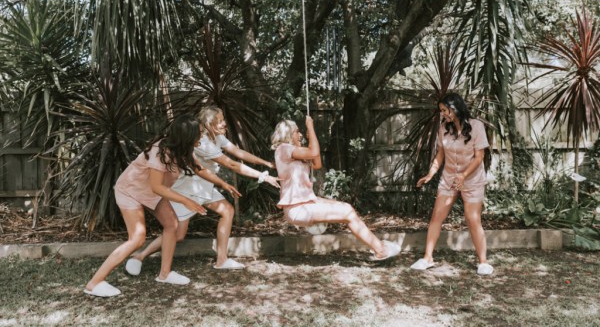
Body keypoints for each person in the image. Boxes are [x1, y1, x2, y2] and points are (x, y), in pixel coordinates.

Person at [84, 114, 240, 297]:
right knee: (137, 238)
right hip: (130, 191)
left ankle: (164, 275)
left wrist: (223, 184)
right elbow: (157, 187)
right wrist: (186, 200)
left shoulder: (183, 149)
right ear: (187, 136)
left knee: (172, 225)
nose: (202, 136)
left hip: (152, 192)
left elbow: (198, 169)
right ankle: (94, 284)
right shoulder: (161, 152)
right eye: (199, 133)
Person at [125, 106, 279, 272]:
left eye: (223, 120)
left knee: (227, 210)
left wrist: (266, 164)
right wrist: (263, 176)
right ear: (208, 124)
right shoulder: (202, 142)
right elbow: (231, 163)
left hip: (204, 185)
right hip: (186, 187)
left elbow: (238, 152)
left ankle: (221, 260)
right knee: (178, 234)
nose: (224, 124)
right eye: (219, 121)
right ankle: (139, 256)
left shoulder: (217, 138)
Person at [271, 115, 401, 260]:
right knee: (347, 212)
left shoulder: (295, 152)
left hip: (306, 203)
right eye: (297, 131)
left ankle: (379, 247)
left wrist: (312, 136)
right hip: (297, 208)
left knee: (348, 208)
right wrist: (311, 128)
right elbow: (314, 152)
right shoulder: (283, 149)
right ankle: (381, 250)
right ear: (287, 134)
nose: (300, 134)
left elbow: (317, 163)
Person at [411, 92, 493, 275]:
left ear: (455, 108)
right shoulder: (443, 128)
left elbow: (479, 157)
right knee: (436, 217)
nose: (443, 114)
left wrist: (463, 176)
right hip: (449, 178)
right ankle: (427, 258)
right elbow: (440, 154)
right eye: (441, 111)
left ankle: (483, 262)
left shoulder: (476, 126)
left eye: (444, 110)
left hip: (471, 180)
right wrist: (430, 174)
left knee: (472, 219)